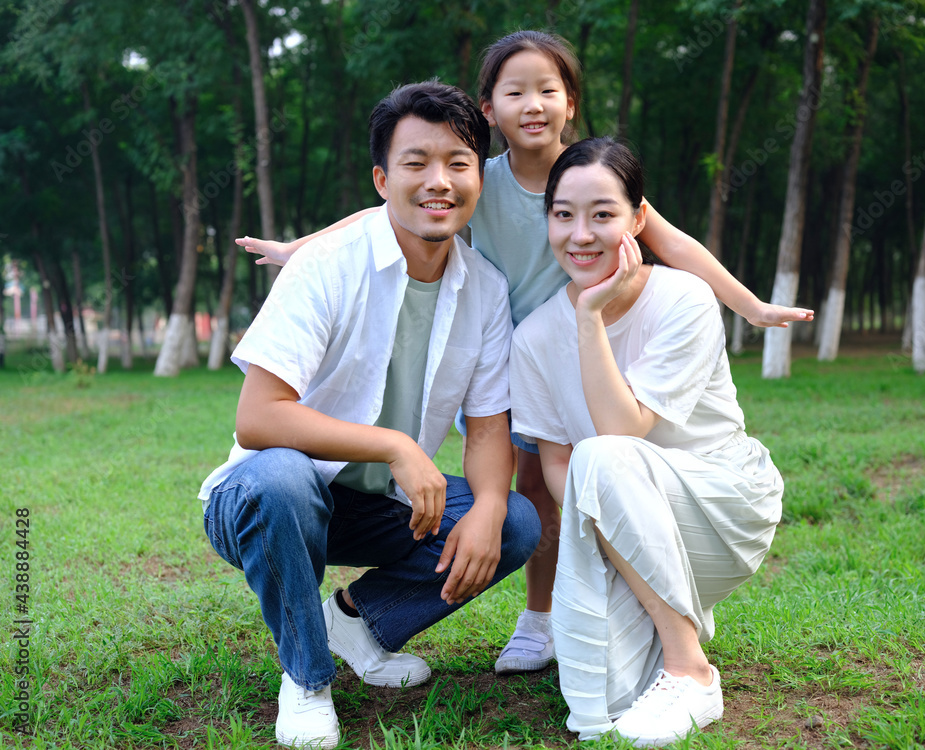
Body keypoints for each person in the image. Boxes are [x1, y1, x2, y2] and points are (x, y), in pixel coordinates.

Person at [237, 30, 809, 678]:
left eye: (548, 89)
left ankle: (603, 609)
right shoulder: (476, 177)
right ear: (489, 109)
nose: (532, 104)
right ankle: (540, 620)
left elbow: (670, 240)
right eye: (515, 91)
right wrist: (301, 248)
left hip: (591, 346)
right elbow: (382, 211)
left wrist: (749, 306)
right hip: (515, 356)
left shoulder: (588, 172)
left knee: (573, 488)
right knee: (531, 489)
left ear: (571, 101)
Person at [198, 81, 541, 749]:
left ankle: (355, 622)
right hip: (264, 501)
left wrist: (493, 507)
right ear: (383, 179)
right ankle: (305, 676)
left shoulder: (484, 290)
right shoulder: (327, 266)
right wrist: (393, 445)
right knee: (281, 480)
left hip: (376, 507)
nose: (438, 182)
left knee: (518, 519)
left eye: (458, 163)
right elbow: (258, 420)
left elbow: (491, 431)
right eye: (416, 164)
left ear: (478, 177)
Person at [509, 136, 784, 745]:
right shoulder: (531, 338)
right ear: (547, 220)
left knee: (603, 452)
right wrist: (605, 529)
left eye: (603, 214)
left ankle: (691, 669)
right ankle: (664, 606)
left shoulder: (682, 299)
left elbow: (622, 431)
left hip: (721, 505)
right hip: (617, 525)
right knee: (599, 700)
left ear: (638, 220)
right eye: (563, 215)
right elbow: (555, 462)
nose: (581, 234)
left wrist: (588, 319)